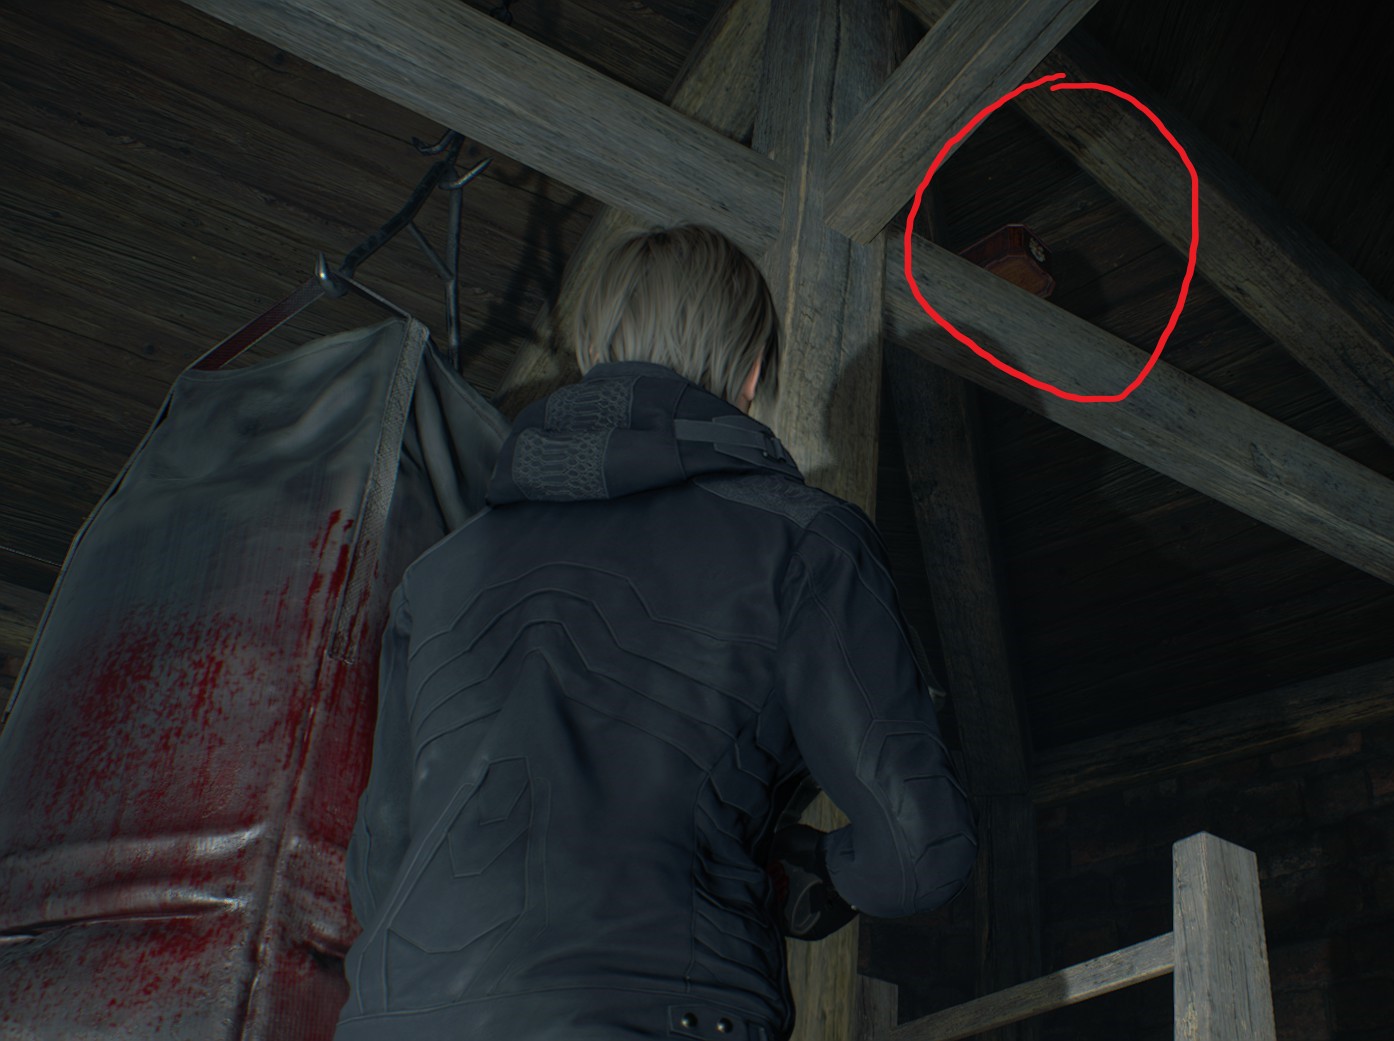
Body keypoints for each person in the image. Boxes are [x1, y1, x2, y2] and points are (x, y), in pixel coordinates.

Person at [335, 223, 978, 1041]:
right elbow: (921, 852)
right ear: (752, 373)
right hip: (648, 1011)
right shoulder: (802, 539)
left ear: (592, 353)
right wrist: (809, 870)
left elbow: (379, 866)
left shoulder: (435, 576)